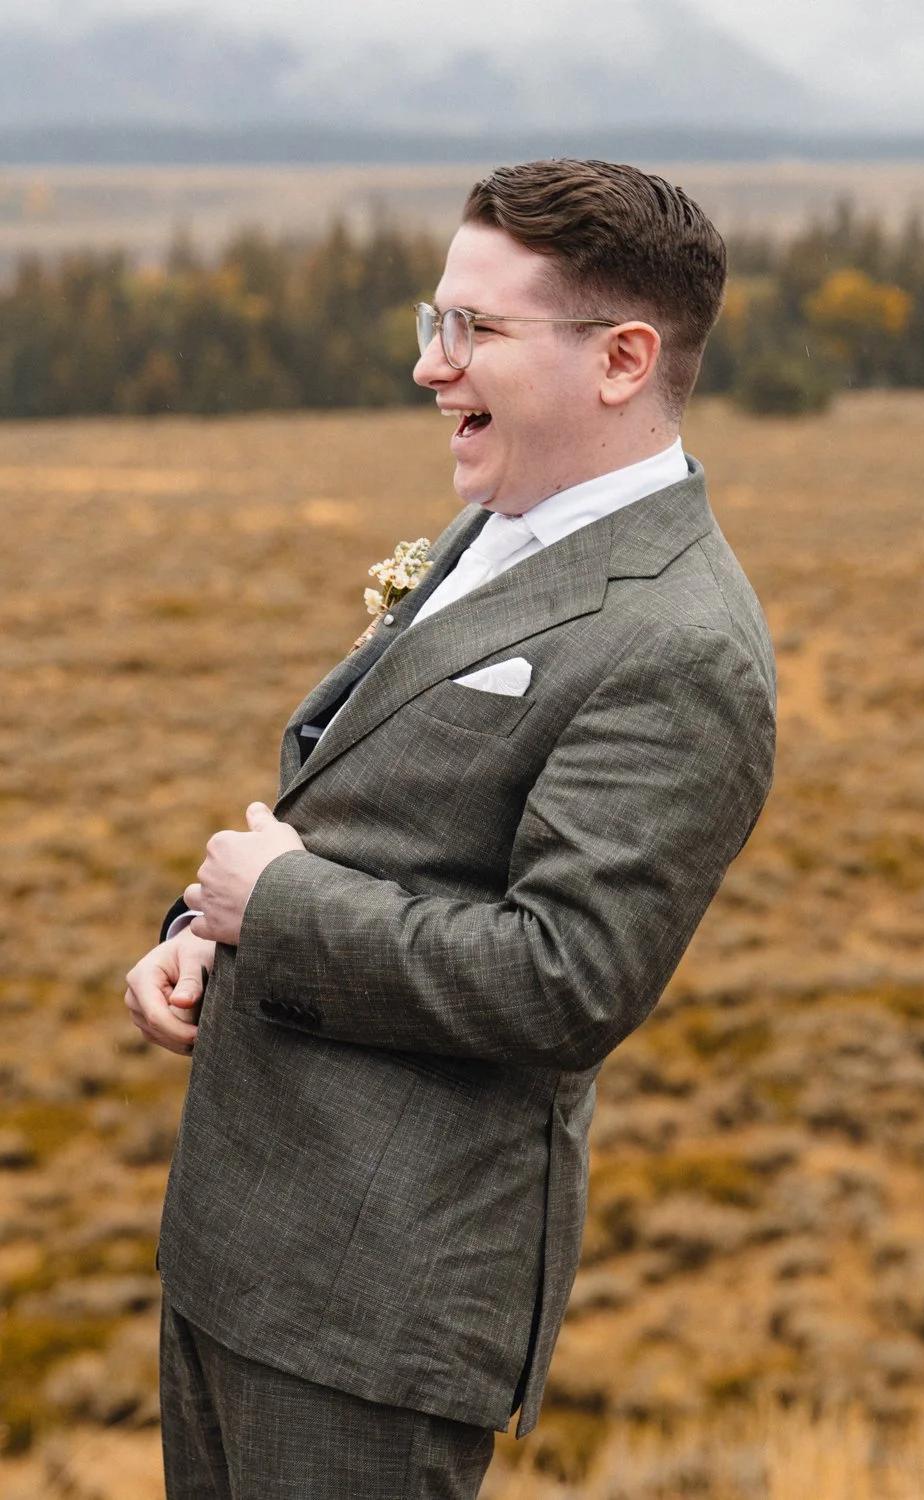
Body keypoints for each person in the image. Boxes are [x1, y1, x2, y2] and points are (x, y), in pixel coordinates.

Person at [124, 158, 776, 1500]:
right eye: (438, 322)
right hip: (233, 1251)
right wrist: (202, 931)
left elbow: (568, 979)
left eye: (474, 330)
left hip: (374, 1306)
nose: (433, 367)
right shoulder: (499, 523)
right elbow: (372, 819)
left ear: (622, 360)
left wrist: (278, 911)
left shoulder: (682, 645)